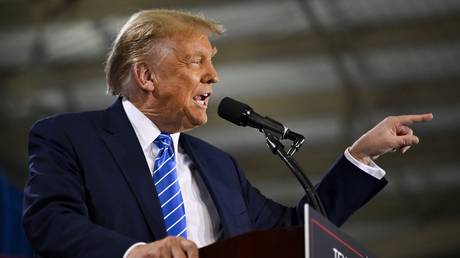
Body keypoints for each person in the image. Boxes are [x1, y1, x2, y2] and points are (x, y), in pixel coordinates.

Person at [22, 9, 433, 258]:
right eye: (197, 60)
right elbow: (50, 222)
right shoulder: (69, 137)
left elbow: (293, 231)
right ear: (146, 75)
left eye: (212, 62)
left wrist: (360, 157)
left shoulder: (218, 166)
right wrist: (135, 253)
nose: (213, 76)